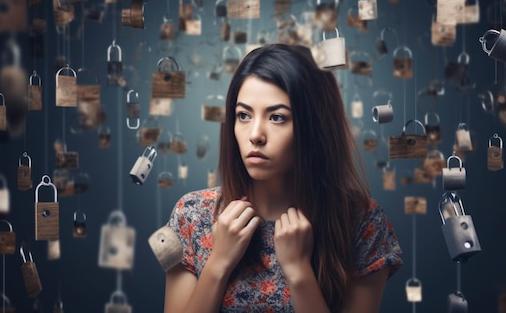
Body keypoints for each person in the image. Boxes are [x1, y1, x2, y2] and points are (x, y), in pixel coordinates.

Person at [164, 44, 402, 313]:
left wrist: (299, 272)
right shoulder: (191, 215)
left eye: (277, 117)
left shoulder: (363, 222)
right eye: (243, 115)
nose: (255, 134)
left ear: (314, 126)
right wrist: (218, 263)